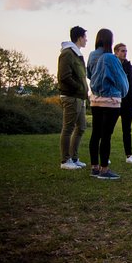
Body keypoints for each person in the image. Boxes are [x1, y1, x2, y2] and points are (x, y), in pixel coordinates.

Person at [87, 28, 129, 181]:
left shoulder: (92, 55)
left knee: (95, 134)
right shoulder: (110, 58)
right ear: (110, 41)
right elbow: (120, 80)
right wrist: (123, 92)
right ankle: (104, 169)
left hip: (95, 99)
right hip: (110, 100)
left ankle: (94, 167)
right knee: (106, 136)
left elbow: (89, 75)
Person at [58, 26, 89, 170]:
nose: (86, 40)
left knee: (81, 127)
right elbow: (64, 76)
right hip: (71, 97)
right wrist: (78, 87)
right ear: (79, 38)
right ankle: (65, 161)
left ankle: (74, 158)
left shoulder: (77, 54)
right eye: (85, 37)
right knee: (68, 128)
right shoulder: (67, 54)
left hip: (79, 97)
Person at [114, 43, 132, 164]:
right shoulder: (113, 65)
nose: (125, 53)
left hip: (127, 102)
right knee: (108, 129)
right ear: (116, 52)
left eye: (126, 51)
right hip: (114, 101)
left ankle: (129, 155)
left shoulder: (129, 66)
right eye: (122, 51)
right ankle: (105, 156)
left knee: (127, 130)